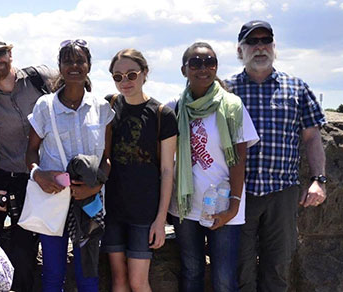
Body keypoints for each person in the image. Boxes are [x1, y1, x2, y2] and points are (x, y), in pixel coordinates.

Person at [224, 20, 327, 292]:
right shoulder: (226, 89)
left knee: (277, 269)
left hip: (282, 193)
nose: (260, 47)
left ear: (274, 47)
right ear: (240, 50)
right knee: (240, 270)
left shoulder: (297, 88)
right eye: (252, 42)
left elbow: (313, 137)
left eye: (265, 41)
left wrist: (318, 180)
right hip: (237, 193)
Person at [165, 42, 259, 292]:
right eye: (195, 63)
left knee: (224, 278)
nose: (203, 68)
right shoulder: (174, 107)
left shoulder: (231, 106)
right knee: (192, 271)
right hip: (186, 206)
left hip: (225, 204)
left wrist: (234, 205)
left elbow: (238, 159)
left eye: (210, 62)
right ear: (184, 69)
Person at [0, 31, 57, 291]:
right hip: (13, 179)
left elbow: (73, 94)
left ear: (9, 53)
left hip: (52, 175)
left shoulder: (41, 78)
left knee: (56, 244)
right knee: (19, 251)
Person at [26, 39, 114, 291]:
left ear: (88, 65)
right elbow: (30, 153)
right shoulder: (45, 106)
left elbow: (107, 158)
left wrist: (95, 188)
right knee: (53, 271)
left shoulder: (102, 108)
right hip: (54, 199)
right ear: (60, 66)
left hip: (90, 201)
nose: (74, 66)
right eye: (68, 61)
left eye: (79, 60)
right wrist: (38, 174)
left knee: (88, 272)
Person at [102, 49, 177, 292]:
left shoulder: (162, 114)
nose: (125, 82)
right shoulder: (109, 105)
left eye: (131, 75)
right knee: (119, 280)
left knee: (138, 282)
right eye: (118, 77)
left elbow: (167, 170)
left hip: (144, 212)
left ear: (144, 74)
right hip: (112, 209)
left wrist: (160, 220)